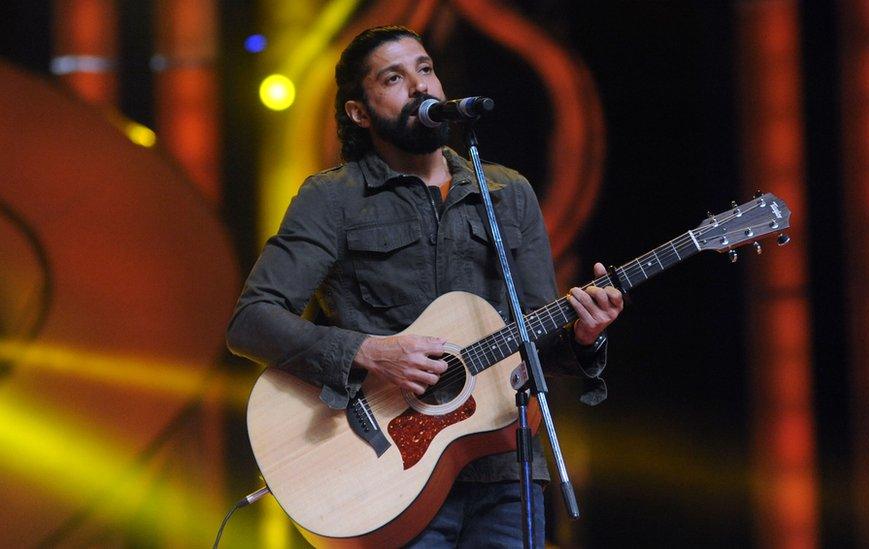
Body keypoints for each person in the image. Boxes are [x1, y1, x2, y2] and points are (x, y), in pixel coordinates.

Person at [226, 25, 623, 547]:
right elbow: (251, 321)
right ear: (359, 113)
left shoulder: (507, 192)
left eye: (425, 68)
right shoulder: (333, 199)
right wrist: (371, 352)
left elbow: (536, 341)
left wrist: (584, 336)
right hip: (383, 476)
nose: (420, 86)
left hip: (504, 469)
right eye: (394, 77)